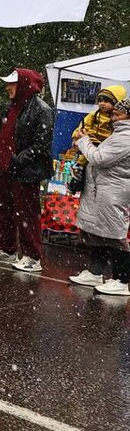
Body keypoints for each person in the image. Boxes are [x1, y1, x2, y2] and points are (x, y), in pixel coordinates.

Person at [0, 69, 55, 272]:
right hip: (5, 169)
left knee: (27, 214)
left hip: (25, 172)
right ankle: (7, 249)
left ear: (24, 85)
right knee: (1, 210)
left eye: (12, 83)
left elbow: (41, 145)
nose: (8, 87)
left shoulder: (42, 110)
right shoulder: (9, 108)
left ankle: (32, 257)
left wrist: (17, 160)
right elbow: (0, 135)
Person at [71, 97, 130, 294]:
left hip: (114, 192)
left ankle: (121, 281)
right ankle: (95, 272)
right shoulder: (118, 134)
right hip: (104, 190)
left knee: (115, 235)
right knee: (98, 232)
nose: (113, 116)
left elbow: (99, 158)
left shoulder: (126, 136)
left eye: (118, 113)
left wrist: (83, 141)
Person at [69, 86, 126, 188]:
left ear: (116, 102)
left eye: (106, 101)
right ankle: (79, 168)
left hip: (106, 144)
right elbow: (83, 125)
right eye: (99, 101)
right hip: (92, 139)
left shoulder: (115, 119)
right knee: (86, 156)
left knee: (94, 157)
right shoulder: (94, 114)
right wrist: (76, 137)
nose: (101, 103)